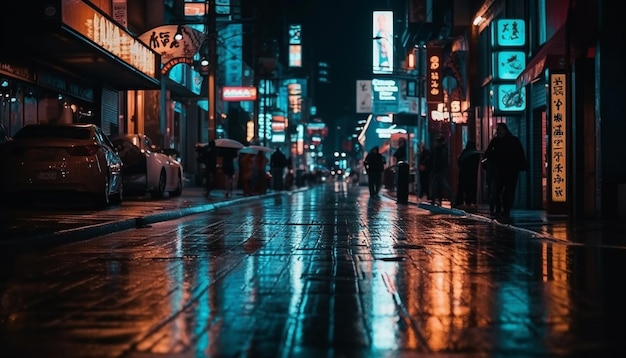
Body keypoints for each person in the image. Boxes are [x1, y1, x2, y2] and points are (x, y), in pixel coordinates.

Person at [482, 122, 527, 218]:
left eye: (500, 130)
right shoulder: (496, 141)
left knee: (508, 191)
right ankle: (499, 208)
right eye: (498, 130)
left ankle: (506, 209)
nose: (499, 132)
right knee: (497, 191)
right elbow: (488, 154)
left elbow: (520, 155)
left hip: (511, 170)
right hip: (500, 170)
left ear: (505, 130)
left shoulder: (513, 141)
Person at [454, 140, 481, 208]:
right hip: (473, 175)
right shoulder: (476, 154)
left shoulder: (465, 152)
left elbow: (459, 161)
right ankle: (472, 201)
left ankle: (460, 202)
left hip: (463, 174)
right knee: (472, 188)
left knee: (462, 188)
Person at [429, 135, 453, 206]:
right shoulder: (440, 149)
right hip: (438, 170)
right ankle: (435, 200)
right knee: (438, 185)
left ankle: (451, 198)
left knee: (440, 185)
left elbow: (440, 160)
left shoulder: (441, 149)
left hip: (440, 170)